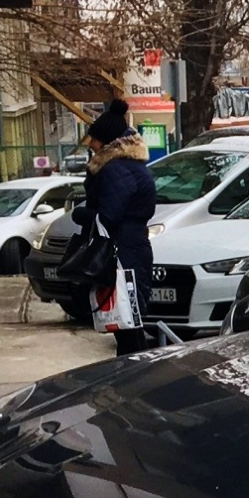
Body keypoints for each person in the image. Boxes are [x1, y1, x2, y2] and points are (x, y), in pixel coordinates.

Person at [81, 100, 159, 354]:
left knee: (127, 320)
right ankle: (133, 374)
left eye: (92, 139)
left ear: (105, 141)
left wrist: (84, 216)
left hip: (123, 251)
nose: (89, 145)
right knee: (128, 320)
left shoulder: (116, 169)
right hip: (130, 247)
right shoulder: (125, 166)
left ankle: (133, 377)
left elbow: (110, 215)